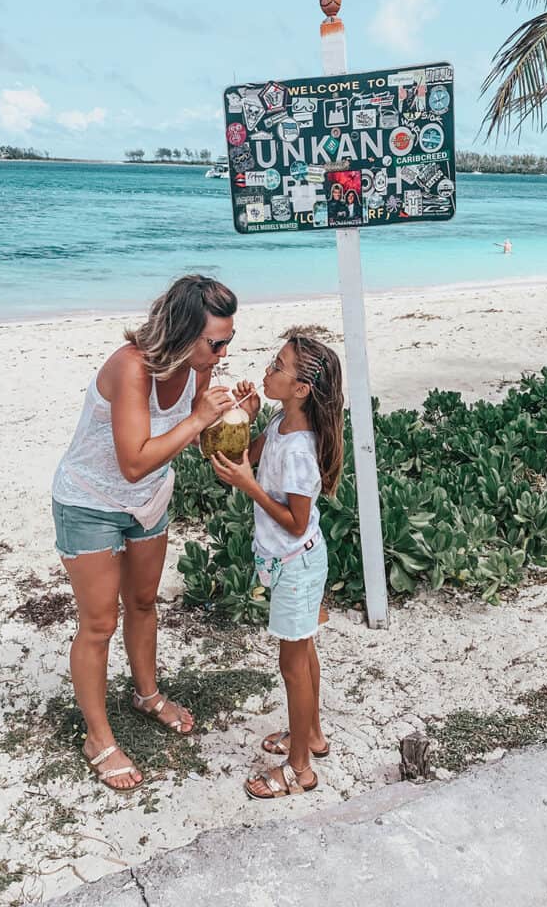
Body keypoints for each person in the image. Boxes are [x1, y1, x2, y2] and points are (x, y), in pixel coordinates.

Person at [52, 275, 239, 791]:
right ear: (182, 333)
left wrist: (235, 415)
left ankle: (147, 693)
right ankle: (97, 737)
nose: (223, 352)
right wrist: (200, 416)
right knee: (98, 624)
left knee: (143, 602)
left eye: (228, 340)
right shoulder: (129, 367)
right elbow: (132, 462)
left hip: (149, 500)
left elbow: (196, 441)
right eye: (216, 342)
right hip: (90, 501)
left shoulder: (200, 368)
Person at [211, 333, 344, 800]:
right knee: (303, 651)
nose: (267, 371)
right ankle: (311, 734)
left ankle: (300, 769)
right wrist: (242, 421)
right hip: (292, 563)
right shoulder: (277, 422)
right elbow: (237, 461)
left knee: (292, 662)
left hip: (297, 564)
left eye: (278, 366)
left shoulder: (299, 451)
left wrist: (250, 488)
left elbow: (295, 521)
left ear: (301, 389)